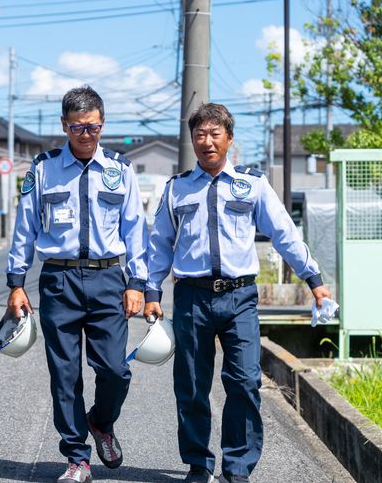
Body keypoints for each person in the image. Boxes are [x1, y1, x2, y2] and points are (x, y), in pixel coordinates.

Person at [144, 103, 331, 483]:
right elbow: (159, 243)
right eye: (200, 135)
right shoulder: (176, 188)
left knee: (244, 381)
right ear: (192, 140)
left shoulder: (253, 184)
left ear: (229, 139)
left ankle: (238, 468)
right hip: (191, 297)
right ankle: (198, 464)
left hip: (239, 298)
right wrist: (150, 290)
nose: (207, 142)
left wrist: (314, 279)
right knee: (192, 386)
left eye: (215, 134)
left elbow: (285, 234)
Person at [5, 85, 148, 483]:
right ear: (64, 126)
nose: (87, 135)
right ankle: (77, 457)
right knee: (64, 374)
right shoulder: (43, 168)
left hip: (107, 279)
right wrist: (16, 283)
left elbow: (136, 229)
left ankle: (102, 422)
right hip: (59, 280)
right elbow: (25, 228)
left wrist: (137, 282)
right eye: (78, 127)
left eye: (94, 127)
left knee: (116, 370)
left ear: (102, 123)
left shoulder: (121, 170)